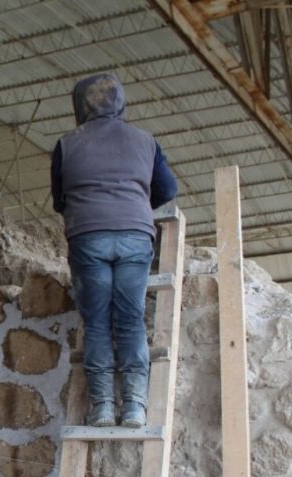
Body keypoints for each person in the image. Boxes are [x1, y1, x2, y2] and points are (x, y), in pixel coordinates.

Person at [51, 73, 177, 428]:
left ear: (80, 105)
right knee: (130, 320)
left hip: (88, 236)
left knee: (97, 324)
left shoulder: (66, 143)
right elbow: (167, 189)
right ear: (120, 101)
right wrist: (135, 201)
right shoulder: (145, 141)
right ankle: (135, 406)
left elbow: (60, 199)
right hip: (135, 236)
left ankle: (103, 406)